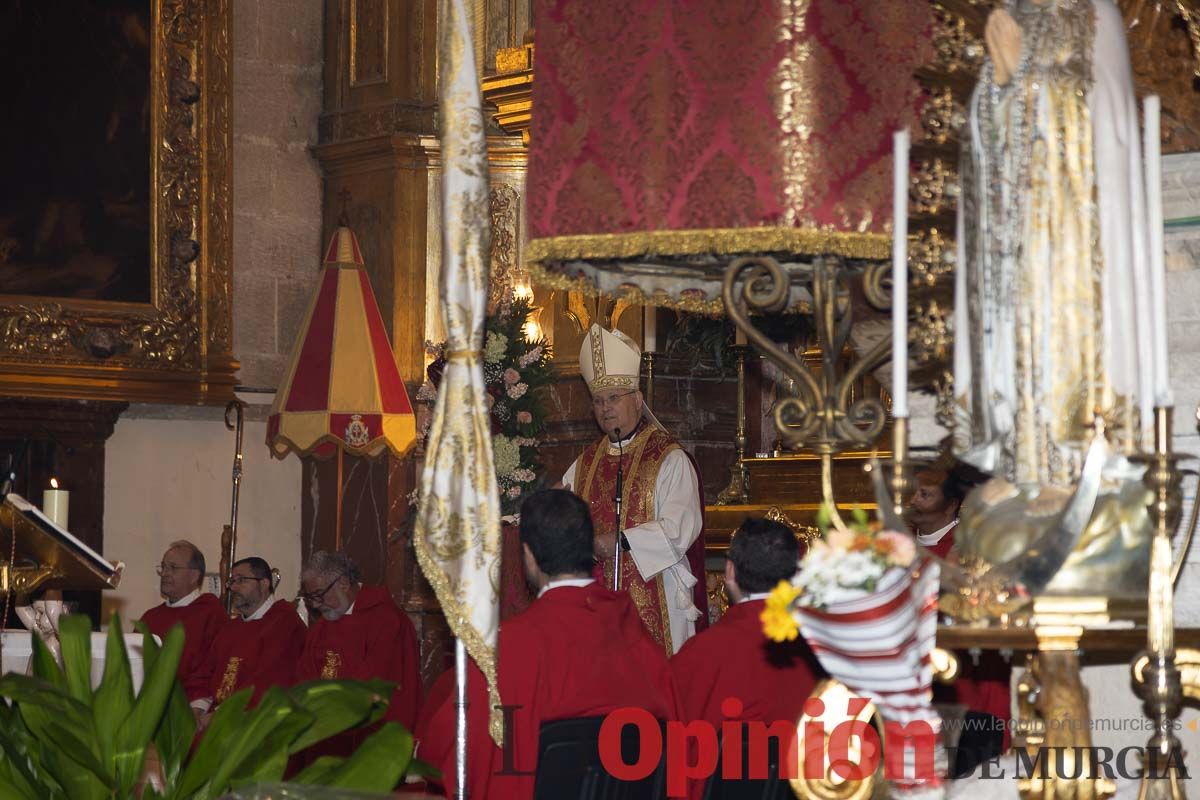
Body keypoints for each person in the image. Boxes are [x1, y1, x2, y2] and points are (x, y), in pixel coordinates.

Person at [953, 0, 1154, 488]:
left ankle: (1078, 467)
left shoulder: (1091, 14)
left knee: (1067, 354)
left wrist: (1025, 82)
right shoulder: (1009, 15)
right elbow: (983, 127)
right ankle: (1019, 460)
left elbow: (1100, 117)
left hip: (1072, 245)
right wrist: (996, 91)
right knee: (1012, 350)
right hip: (1013, 238)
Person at [418, 489, 682, 799]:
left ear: (528, 556)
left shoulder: (507, 649)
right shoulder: (638, 639)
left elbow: (447, 752)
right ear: (589, 547)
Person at [562, 323, 707, 655]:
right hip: (595, 602)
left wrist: (619, 541)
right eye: (598, 401)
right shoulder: (585, 463)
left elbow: (679, 529)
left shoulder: (668, 458)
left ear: (638, 399)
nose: (605, 408)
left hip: (658, 592)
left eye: (614, 397)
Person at [671, 518, 822, 746]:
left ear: (729, 571)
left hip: (724, 779)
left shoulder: (700, 652)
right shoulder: (825, 648)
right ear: (795, 577)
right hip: (808, 777)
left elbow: (675, 743)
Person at [294, 550, 421, 753]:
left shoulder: (386, 620)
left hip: (372, 738)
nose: (316, 605)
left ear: (343, 583)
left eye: (319, 595)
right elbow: (304, 676)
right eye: (311, 597)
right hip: (324, 735)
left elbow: (376, 683)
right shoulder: (322, 627)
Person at [194, 557, 305, 722]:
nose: (234, 587)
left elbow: (268, 683)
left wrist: (218, 715)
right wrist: (197, 709)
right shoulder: (230, 629)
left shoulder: (285, 622)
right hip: (216, 717)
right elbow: (205, 672)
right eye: (232, 581)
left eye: (241, 580)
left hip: (255, 721)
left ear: (264, 583)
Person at [140, 540, 228, 713]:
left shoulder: (210, 613)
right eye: (163, 567)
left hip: (190, 709)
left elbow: (217, 667)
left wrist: (197, 708)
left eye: (173, 567)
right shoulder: (150, 617)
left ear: (194, 576)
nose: (164, 573)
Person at [908, 467, 967, 559]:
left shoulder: (964, 548)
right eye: (912, 492)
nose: (912, 501)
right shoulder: (903, 537)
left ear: (951, 506)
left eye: (924, 495)